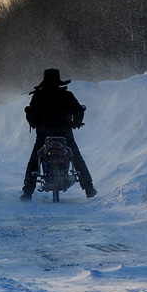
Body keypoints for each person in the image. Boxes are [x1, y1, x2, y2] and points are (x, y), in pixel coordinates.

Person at [20, 68, 97, 200]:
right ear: (58, 80)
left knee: (35, 160)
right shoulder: (67, 95)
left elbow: (31, 113)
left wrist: (34, 123)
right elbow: (79, 110)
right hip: (64, 133)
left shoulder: (38, 95)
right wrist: (76, 123)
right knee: (76, 158)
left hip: (44, 134)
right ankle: (89, 189)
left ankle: (28, 191)